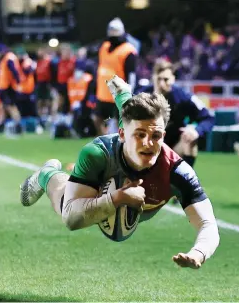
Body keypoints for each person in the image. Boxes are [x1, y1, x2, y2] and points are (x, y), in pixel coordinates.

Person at [19, 75, 220, 269]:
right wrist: (117, 198)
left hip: (130, 180)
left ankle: (123, 94)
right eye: (140, 135)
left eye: (156, 135)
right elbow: (71, 219)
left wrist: (198, 253)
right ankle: (46, 175)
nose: (149, 143)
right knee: (63, 203)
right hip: (105, 179)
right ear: (122, 134)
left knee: (131, 114)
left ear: (164, 135)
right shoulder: (98, 154)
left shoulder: (176, 170)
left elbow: (208, 224)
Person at [136, 59, 215, 168]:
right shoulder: (140, 96)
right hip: (146, 145)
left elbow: (208, 117)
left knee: (189, 139)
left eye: (166, 79)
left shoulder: (183, 97)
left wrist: (196, 131)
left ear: (173, 79)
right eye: (158, 79)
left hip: (173, 147)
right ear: (153, 78)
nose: (162, 84)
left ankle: (185, 181)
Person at [94, 17, 137, 136]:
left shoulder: (128, 51)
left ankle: (116, 149)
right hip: (102, 93)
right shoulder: (104, 47)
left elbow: (131, 75)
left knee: (117, 126)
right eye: (111, 30)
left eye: (116, 31)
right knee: (97, 119)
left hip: (118, 93)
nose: (113, 33)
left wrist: (128, 93)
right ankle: (105, 144)